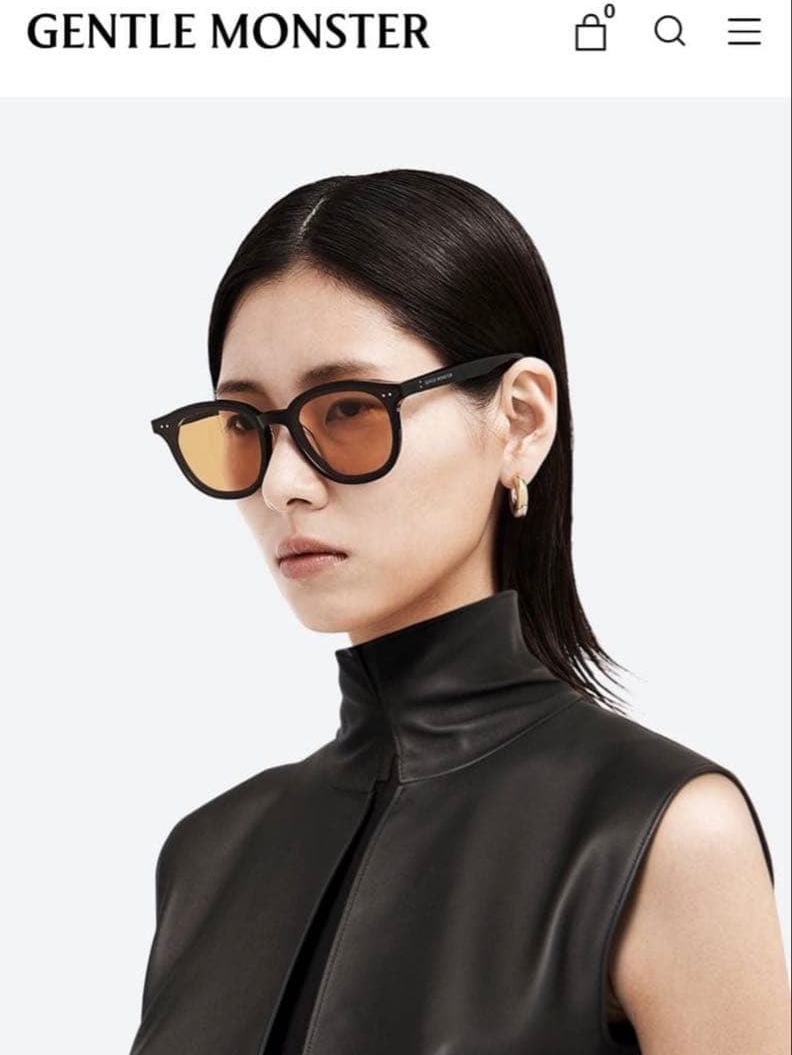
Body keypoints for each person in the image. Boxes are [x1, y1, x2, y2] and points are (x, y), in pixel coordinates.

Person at [130, 169, 789, 1054]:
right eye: (245, 425)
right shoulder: (207, 856)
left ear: (519, 421)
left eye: (350, 408)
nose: (283, 483)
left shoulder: (665, 833)